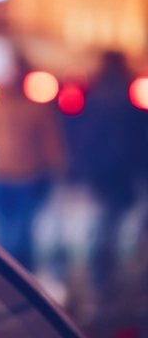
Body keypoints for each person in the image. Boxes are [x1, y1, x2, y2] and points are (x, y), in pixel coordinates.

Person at [0, 55, 65, 271]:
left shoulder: (36, 109)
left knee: (21, 237)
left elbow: (51, 144)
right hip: (1, 177)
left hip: (27, 178)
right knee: (3, 235)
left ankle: (20, 278)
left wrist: (56, 171)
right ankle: (7, 276)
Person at [75, 51, 147, 304]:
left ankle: (104, 283)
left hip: (110, 174)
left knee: (106, 229)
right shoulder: (125, 99)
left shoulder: (97, 99)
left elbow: (85, 140)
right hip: (122, 174)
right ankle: (109, 283)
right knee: (111, 228)